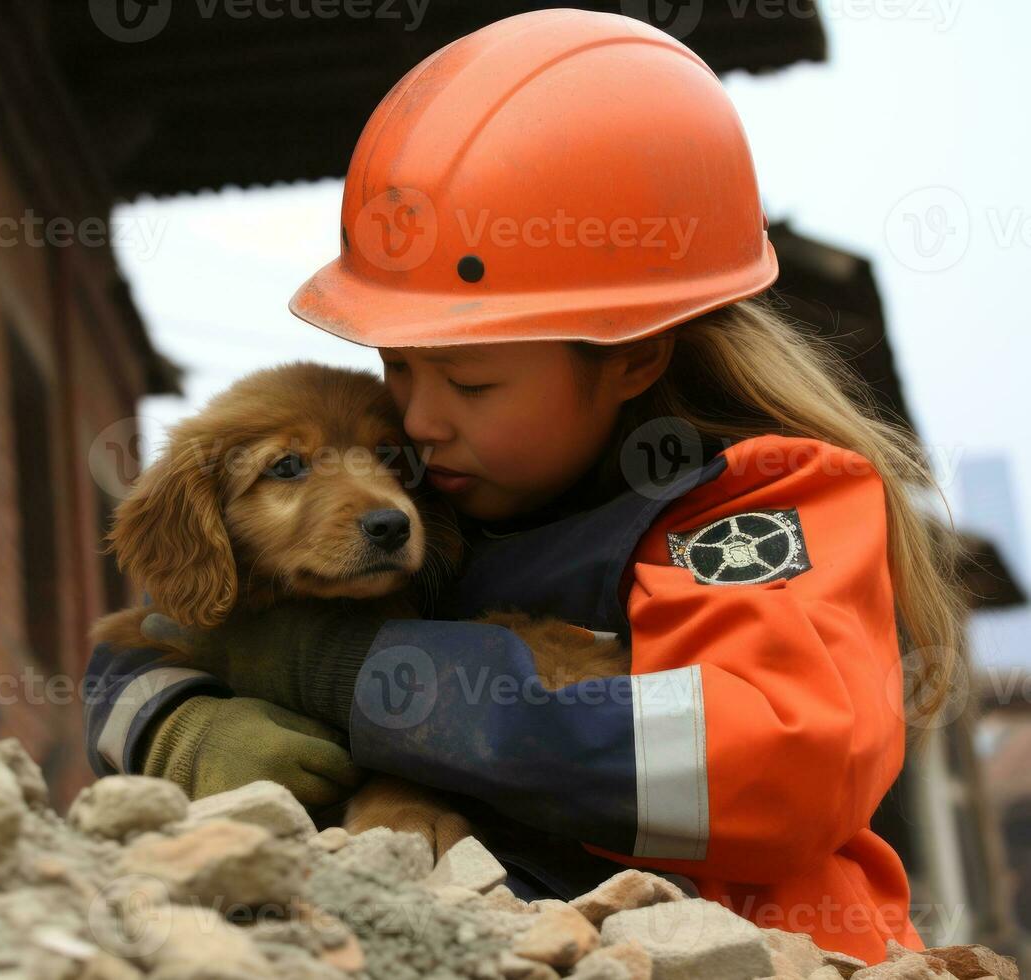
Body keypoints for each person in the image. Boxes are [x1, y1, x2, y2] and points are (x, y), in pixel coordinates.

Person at [82, 10, 969, 963]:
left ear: (630, 361)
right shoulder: (443, 496)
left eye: (469, 381)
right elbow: (154, 638)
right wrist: (179, 724)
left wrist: (351, 672)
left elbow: (775, 762)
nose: (416, 424)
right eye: (399, 368)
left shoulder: (759, 507)